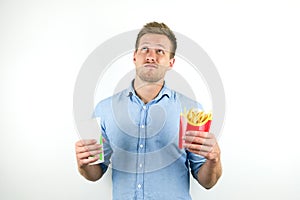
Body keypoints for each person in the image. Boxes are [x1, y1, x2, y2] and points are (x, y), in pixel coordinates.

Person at [75, 22, 222, 199]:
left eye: (160, 51)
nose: (151, 56)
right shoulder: (105, 109)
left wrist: (214, 160)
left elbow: (207, 181)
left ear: (171, 62)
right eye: (145, 49)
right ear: (134, 57)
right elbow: (96, 173)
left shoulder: (192, 111)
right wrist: (84, 165)